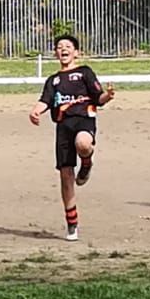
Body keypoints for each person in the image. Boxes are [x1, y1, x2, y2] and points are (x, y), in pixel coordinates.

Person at [29, 35, 115, 241]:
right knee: (66, 176)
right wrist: (35, 111)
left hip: (84, 120)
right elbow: (45, 101)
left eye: (68, 46)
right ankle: (72, 223)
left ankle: (87, 163)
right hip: (63, 127)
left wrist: (108, 96)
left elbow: (98, 98)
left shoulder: (84, 72)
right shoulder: (53, 80)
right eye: (59, 47)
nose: (63, 50)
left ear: (76, 52)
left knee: (83, 144)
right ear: (56, 53)